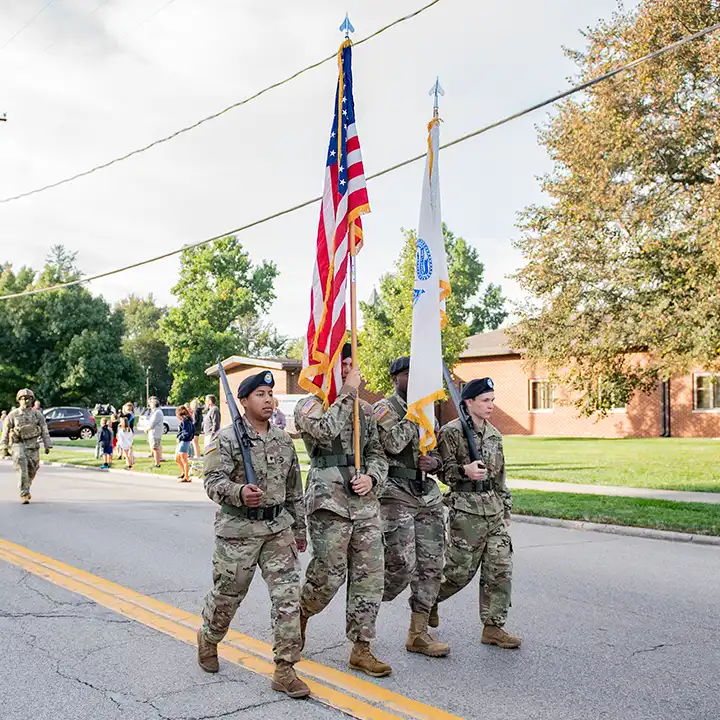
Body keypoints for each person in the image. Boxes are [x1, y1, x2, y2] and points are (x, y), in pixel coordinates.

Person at [198, 370, 309, 699]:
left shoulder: (283, 440)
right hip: (239, 531)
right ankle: (209, 637)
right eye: (259, 394)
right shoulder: (226, 439)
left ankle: (285, 669)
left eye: (270, 394)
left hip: (278, 529)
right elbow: (212, 482)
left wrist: (299, 529)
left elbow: (294, 491)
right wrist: (238, 492)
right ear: (243, 401)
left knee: (288, 599)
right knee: (227, 597)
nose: (267, 399)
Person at [294, 343, 391, 678]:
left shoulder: (365, 411)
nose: (350, 369)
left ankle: (361, 647)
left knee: (369, 578)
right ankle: (301, 613)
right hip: (329, 502)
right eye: (342, 364)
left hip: (364, 504)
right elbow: (325, 431)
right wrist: (347, 392)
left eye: (352, 364)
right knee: (329, 575)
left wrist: (373, 478)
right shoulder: (309, 405)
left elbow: (378, 453)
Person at [434, 377, 521, 649]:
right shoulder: (452, 432)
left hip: (493, 510)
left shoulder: (494, 435)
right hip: (465, 510)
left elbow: (500, 477)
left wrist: (506, 508)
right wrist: (465, 471)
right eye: (485, 400)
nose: (491, 405)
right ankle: (427, 601)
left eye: (492, 400)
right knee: (458, 573)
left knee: (500, 569)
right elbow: (441, 470)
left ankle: (494, 627)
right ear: (468, 402)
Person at [373, 356, 449, 658]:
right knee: (400, 565)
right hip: (395, 492)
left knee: (431, 565)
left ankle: (418, 633)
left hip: (426, 494)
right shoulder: (384, 409)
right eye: (408, 375)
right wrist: (415, 414)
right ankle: (364, 600)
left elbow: (440, 454)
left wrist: (435, 462)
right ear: (395, 378)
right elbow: (392, 443)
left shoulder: (429, 409)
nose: (415, 380)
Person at [0, 389, 52, 504]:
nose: (26, 401)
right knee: (21, 465)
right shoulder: (13, 415)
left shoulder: (36, 414)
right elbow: (5, 431)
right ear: (19, 400)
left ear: (32, 400)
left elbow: (44, 429)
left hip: (33, 444)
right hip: (18, 444)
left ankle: (26, 486)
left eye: (28, 398)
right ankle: (23, 493)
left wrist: (47, 444)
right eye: (23, 399)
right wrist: (3, 447)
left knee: (33, 468)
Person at [175, 405, 194, 482]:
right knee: (177, 458)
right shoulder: (188, 419)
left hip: (184, 441)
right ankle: (183, 472)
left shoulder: (185, 420)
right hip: (184, 441)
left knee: (184, 460)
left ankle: (186, 476)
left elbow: (186, 432)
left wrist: (180, 437)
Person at [146, 397, 164, 467]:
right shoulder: (155, 412)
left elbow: (152, 424)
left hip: (155, 433)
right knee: (156, 447)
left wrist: (147, 428)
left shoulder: (157, 412)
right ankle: (157, 462)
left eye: (150, 403)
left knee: (155, 448)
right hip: (154, 433)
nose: (149, 405)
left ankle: (157, 463)